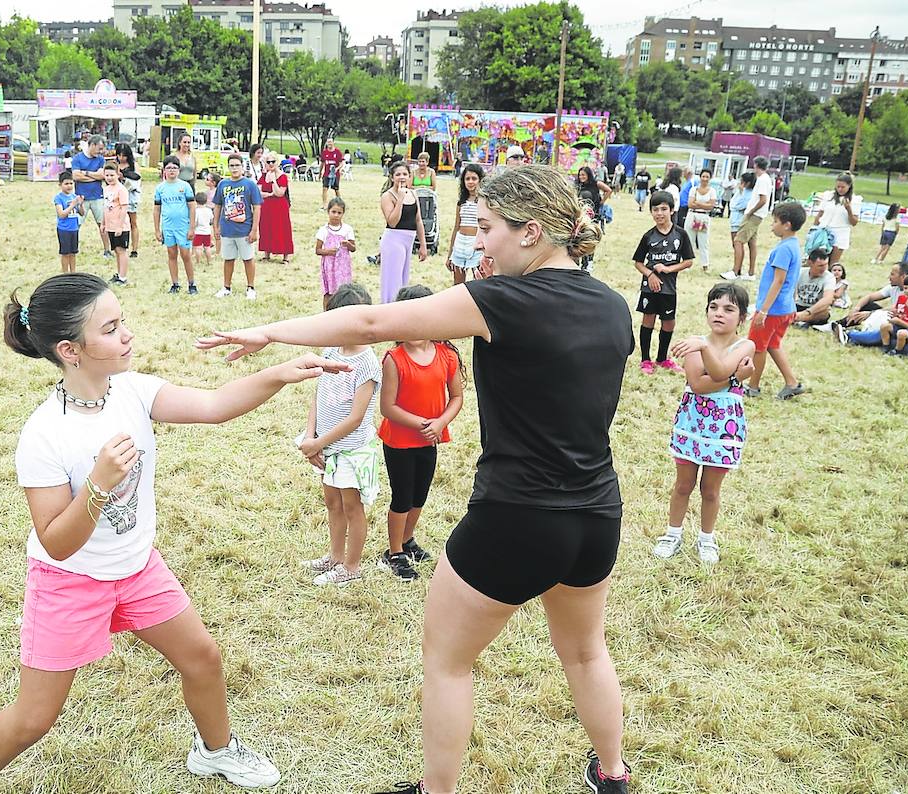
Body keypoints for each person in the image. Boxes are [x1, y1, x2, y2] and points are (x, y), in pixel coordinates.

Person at [199, 164, 634, 794]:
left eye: (487, 229)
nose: (478, 243)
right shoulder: (612, 305)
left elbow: (373, 324)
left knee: (449, 662)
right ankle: (613, 775)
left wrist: (270, 331)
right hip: (596, 518)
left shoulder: (504, 301)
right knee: (587, 652)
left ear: (533, 232)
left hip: (516, 518)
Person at [0, 274, 350, 794]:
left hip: (137, 569)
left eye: (123, 321)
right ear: (70, 350)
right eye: (111, 329)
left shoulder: (133, 391)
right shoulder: (44, 433)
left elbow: (212, 406)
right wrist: (97, 485)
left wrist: (280, 373)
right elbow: (57, 542)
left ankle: (216, 751)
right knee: (34, 718)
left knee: (202, 658)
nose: (127, 335)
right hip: (70, 582)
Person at [654, 283, 756, 566]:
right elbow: (698, 384)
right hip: (693, 422)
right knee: (683, 484)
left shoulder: (746, 344)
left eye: (728, 309)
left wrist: (718, 364)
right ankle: (672, 534)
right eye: (713, 307)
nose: (719, 314)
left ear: (742, 317)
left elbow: (717, 372)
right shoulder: (694, 343)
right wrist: (736, 378)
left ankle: (706, 539)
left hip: (725, 426)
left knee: (711, 490)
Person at [377, 284, 463, 582]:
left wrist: (439, 424)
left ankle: (408, 539)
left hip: (430, 438)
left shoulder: (446, 355)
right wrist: (422, 424)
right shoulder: (394, 358)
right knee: (402, 496)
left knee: (420, 494)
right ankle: (394, 552)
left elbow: (456, 398)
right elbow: (387, 407)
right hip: (399, 441)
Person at [297, 282, 381, 587]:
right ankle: (334, 556)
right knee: (332, 502)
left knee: (351, 506)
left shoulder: (368, 364)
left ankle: (352, 565)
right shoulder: (331, 350)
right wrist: (310, 436)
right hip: (325, 445)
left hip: (350, 450)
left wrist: (318, 442)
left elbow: (357, 417)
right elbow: (319, 393)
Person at [746, 202, 808, 400]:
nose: (772, 225)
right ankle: (792, 383)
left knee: (758, 347)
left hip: (772, 310)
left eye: (775, 222)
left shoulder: (783, 249)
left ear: (787, 225)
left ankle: (753, 387)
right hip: (785, 308)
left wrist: (763, 311)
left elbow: (779, 280)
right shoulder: (793, 246)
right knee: (773, 345)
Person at [632, 190, 693, 374]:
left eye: (663, 209)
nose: (659, 213)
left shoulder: (680, 234)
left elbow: (688, 261)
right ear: (651, 212)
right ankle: (645, 360)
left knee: (668, 322)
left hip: (669, 288)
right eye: (655, 209)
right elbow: (638, 263)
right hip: (650, 288)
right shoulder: (648, 236)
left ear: (672, 210)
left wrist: (668, 269)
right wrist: (650, 275)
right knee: (648, 319)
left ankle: (662, 358)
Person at [213, 154, 263, 300]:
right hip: (227, 229)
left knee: (248, 258)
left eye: (237, 165)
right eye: (231, 165)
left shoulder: (250, 185)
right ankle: (226, 287)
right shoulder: (223, 184)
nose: (234, 168)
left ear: (242, 167)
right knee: (228, 259)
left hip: (244, 229)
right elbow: (217, 206)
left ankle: (251, 287)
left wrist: (254, 229)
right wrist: (215, 226)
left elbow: (257, 208)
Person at [378, 162, 429, 304]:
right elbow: (392, 222)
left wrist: (423, 245)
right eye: (398, 174)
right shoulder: (387, 196)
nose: (402, 177)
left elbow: (418, 220)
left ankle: (400, 305)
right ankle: (389, 305)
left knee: (404, 277)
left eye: (405, 174)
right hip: (393, 240)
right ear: (392, 177)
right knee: (393, 279)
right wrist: (400, 199)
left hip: (409, 240)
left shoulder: (413, 193)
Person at [844, 272, 908, 350]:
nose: (907, 291)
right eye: (905, 288)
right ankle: (885, 347)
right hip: (898, 325)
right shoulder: (902, 297)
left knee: (899, 334)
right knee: (884, 326)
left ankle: (897, 351)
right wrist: (895, 315)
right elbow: (897, 310)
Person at [153, 156, 197, 294]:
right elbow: (157, 209)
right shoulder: (160, 188)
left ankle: (191, 284)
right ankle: (175, 284)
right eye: (169, 168)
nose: (171, 171)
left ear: (179, 170)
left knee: (186, 255)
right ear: (164, 170)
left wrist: (191, 228)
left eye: (174, 168)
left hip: (183, 227)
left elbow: (192, 207)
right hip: (168, 227)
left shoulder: (185, 186)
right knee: (172, 254)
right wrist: (157, 230)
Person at [734, 157, 773, 282]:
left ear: (756, 165)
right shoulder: (767, 179)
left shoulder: (762, 180)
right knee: (752, 243)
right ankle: (751, 273)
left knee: (738, 240)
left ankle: (735, 271)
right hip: (759, 215)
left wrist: (751, 211)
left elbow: (763, 199)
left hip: (754, 215)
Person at [445, 164, 484, 286]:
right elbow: (456, 227)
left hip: (477, 243)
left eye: (474, 178)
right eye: (467, 179)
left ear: (480, 180)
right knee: (458, 282)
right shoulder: (461, 203)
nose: (470, 182)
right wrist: (450, 253)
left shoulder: (485, 201)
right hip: (460, 243)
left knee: (479, 280)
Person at [72, 135, 109, 258]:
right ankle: (73, 249)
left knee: (102, 224)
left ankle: (107, 250)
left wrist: (85, 173)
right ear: (92, 145)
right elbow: (76, 176)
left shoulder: (100, 159)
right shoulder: (77, 158)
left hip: (97, 196)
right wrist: (94, 176)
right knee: (76, 224)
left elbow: (102, 176)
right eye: (99, 148)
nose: (101, 151)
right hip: (81, 197)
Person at [315, 198, 356, 309]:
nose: (336, 215)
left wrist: (348, 244)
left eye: (339, 213)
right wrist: (328, 252)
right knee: (329, 291)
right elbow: (317, 250)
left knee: (343, 291)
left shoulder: (347, 229)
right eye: (333, 212)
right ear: (328, 211)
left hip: (343, 266)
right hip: (329, 266)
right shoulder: (323, 230)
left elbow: (353, 248)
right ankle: (326, 312)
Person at [812, 173, 859, 266]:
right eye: (838, 187)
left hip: (840, 232)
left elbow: (854, 222)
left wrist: (849, 209)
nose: (840, 189)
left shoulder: (854, 200)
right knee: (818, 260)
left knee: (833, 263)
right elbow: (820, 214)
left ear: (849, 186)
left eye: (843, 187)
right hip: (824, 230)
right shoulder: (828, 196)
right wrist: (814, 229)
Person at [256, 153, 293, 264]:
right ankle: (266, 254)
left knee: (282, 228)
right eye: (268, 162)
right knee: (266, 228)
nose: (271, 164)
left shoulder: (282, 176)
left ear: (277, 162)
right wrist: (269, 194)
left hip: (280, 207)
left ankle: (285, 256)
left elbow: (280, 193)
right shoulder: (263, 175)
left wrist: (273, 181)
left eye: (273, 162)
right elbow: (258, 191)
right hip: (266, 206)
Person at [721, 171, 757, 281]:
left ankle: (735, 271)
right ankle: (739, 269)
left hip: (739, 221)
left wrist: (740, 192)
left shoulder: (748, 194)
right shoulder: (744, 192)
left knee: (737, 243)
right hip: (736, 220)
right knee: (739, 245)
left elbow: (736, 205)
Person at [101, 165, 131, 286]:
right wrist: (103, 223)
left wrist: (119, 226)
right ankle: (118, 274)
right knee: (116, 251)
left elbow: (124, 209)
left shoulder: (121, 189)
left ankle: (123, 277)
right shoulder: (106, 189)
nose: (109, 178)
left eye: (112, 175)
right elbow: (105, 207)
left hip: (121, 226)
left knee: (121, 250)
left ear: (118, 174)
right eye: (107, 175)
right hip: (110, 225)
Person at [791, 248, 836, 328]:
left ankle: (797, 319)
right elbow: (790, 291)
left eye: (826, 264)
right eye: (820, 266)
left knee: (825, 313)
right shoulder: (800, 272)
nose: (824, 268)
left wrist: (808, 312)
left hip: (816, 309)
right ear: (810, 263)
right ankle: (798, 319)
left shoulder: (829, 277)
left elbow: (828, 299)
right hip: (799, 305)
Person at [684, 169, 717, 272]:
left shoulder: (712, 191)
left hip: (704, 218)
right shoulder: (694, 189)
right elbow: (690, 203)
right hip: (692, 215)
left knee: (703, 242)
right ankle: (687, 263)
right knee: (689, 240)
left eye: (707, 177)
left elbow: (711, 206)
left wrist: (698, 203)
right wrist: (704, 204)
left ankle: (705, 265)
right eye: (703, 176)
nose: (705, 179)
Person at [55, 173, 84, 273]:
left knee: (73, 252)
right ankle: (65, 273)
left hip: (74, 228)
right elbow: (61, 214)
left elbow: (81, 213)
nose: (69, 186)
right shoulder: (58, 198)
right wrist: (72, 205)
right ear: (60, 185)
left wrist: (80, 204)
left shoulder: (74, 196)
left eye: (71, 183)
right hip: (64, 229)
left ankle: (73, 272)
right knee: (65, 253)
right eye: (66, 183)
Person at [193, 191, 215, 269]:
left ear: (196, 201)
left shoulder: (196, 211)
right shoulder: (208, 210)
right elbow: (212, 220)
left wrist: (192, 227)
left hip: (198, 232)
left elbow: (195, 222)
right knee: (207, 247)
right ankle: (209, 261)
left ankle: (198, 261)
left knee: (198, 248)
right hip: (207, 232)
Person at [320, 138, 344, 205]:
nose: (329, 143)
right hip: (326, 174)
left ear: (333, 142)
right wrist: (320, 173)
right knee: (324, 188)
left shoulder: (337, 152)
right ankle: (324, 205)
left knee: (336, 189)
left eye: (330, 142)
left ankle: (340, 203)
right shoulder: (324, 152)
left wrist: (337, 168)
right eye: (328, 142)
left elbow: (342, 163)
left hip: (335, 175)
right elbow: (322, 163)